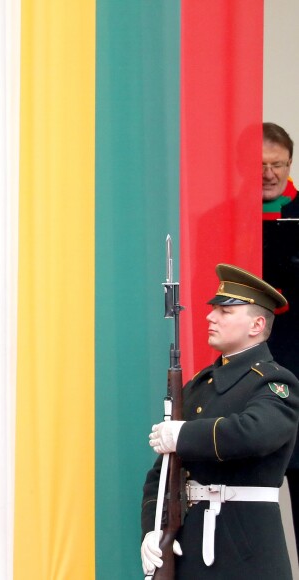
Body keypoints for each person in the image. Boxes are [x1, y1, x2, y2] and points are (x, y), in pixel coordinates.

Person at [141, 264, 299, 579]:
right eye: (213, 310)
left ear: (256, 324)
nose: (210, 317)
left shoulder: (274, 382)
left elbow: (256, 433)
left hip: (247, 548)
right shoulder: (199, 386)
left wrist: (183, 434)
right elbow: (162, 474)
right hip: (192, 546)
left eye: (225, 312)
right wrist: (153, 528)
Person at [262, 122, 299, 560]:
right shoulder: (221, 216)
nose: (270, 173)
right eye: (260, 166)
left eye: (279, 164)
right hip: (250, 385)